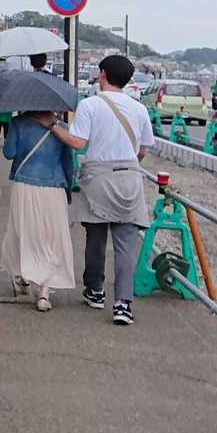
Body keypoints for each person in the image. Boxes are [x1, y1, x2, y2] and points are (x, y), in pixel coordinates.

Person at [46, 54, 155, 326]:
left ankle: (95, 290)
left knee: (95, 240)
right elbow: (143, 150)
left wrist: (52, 125)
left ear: (103, 74)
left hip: (98, 179)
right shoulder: (139, 109)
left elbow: (77, 142)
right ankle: (123, 304)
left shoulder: (90, 105)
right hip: (130, 178)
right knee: (126, 245)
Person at [2, 109, 77, 311]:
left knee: (23, 232)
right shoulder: (62, 128)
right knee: (50, 239)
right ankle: (44, 293)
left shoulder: (19, 123)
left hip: (24, 186)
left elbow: (8, 153)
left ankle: (24, 275)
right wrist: (68, 191)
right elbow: (68, 164)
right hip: (54, 188)